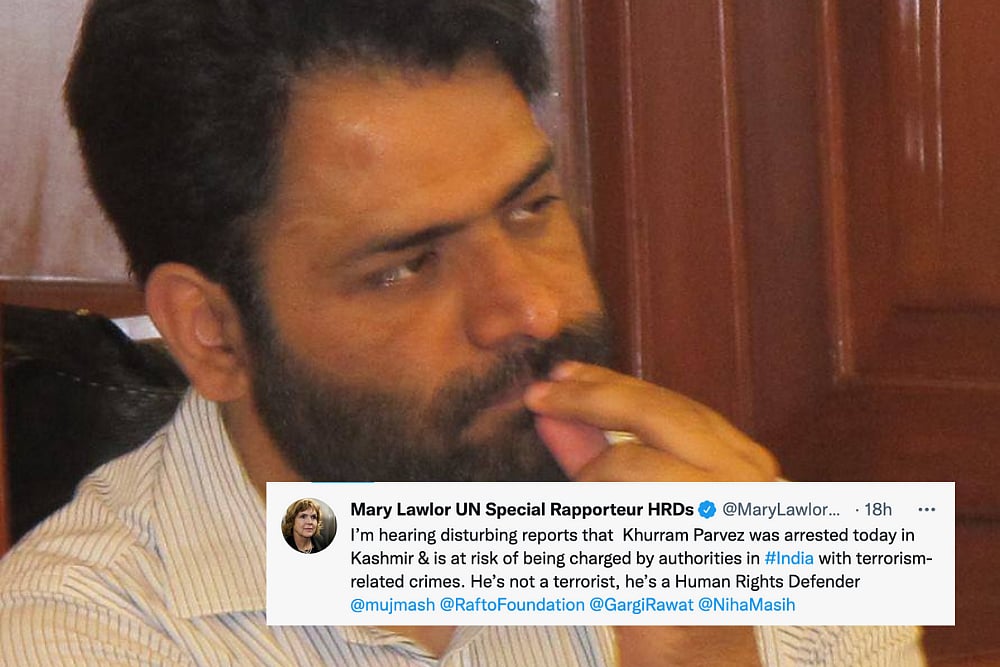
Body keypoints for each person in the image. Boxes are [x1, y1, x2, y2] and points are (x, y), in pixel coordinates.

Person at [0, 0, 922, 664]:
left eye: (530, 208)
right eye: (406, 266)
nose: (529, 309)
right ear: (212, 335)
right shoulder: (76, 632)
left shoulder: (732, 534)